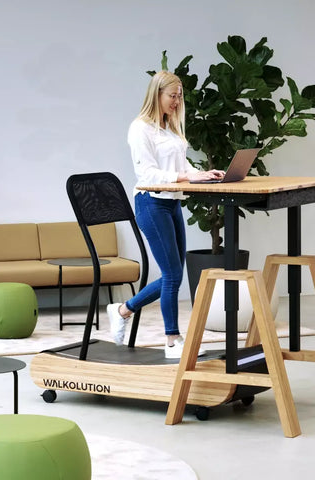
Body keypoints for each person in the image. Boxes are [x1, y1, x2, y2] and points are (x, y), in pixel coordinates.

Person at [106, 71, 224, 359]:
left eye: (179, 96)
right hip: (150, 203)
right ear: (156, 94)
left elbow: (181, 166)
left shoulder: (170, 128)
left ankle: (122, 310)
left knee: (173, 275)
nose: (176, 101)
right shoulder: (140, 128)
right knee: (172, 274)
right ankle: (172, 340)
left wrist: (204, 174)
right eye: (172, 96)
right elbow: (147, 173)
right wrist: (187, 177)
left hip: (171, 203)